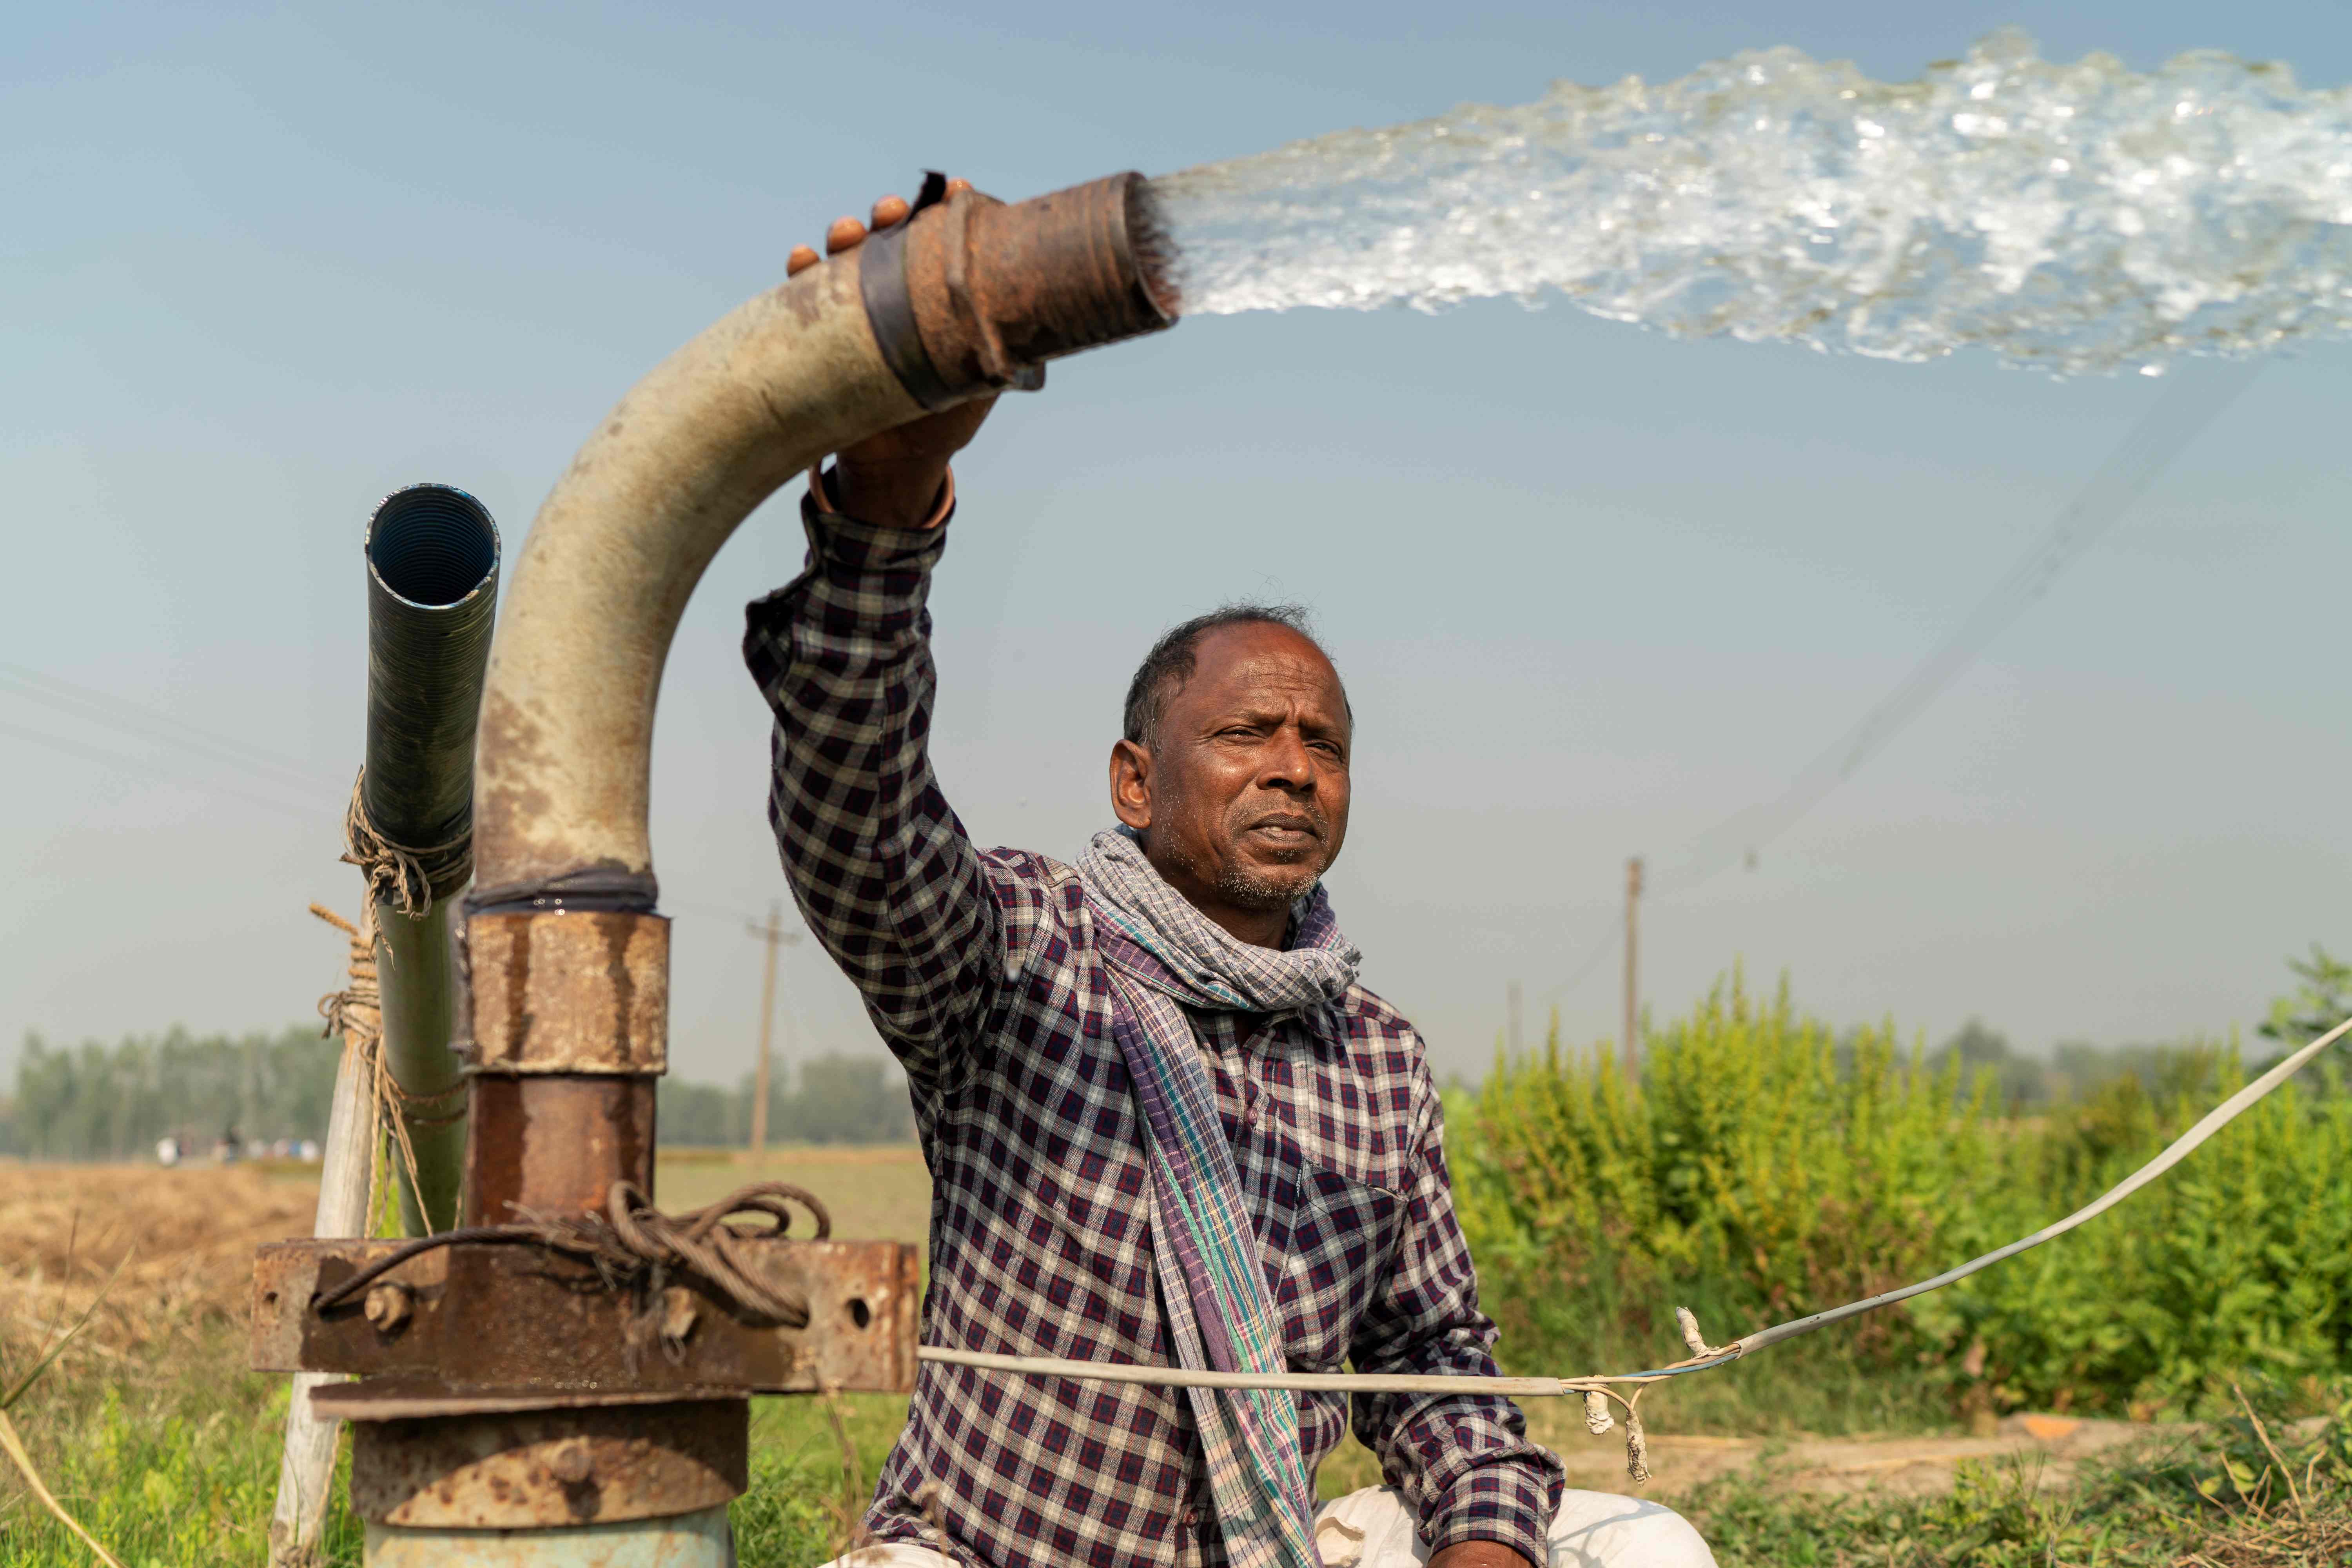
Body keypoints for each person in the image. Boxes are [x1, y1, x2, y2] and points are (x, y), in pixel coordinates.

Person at [750, 191, 1715, 1568]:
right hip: (996, 1549)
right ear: (1134, 783)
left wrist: (1487, 1547)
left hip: (1262, 1548)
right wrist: (889, 492)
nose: (1292, 767)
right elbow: (855, 815)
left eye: (1322, 742)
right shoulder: (1025, 956)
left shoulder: (1376, 1058)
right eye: (1244, 734)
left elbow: (1433, 1359)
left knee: (1643, 1546)